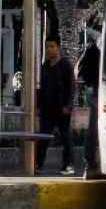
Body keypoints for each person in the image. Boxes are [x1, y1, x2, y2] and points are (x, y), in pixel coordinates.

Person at [36, 36, 77, 175]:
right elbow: (41, 88)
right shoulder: (45, 67)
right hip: (47, 109)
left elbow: (71, 87)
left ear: (58, 47)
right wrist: (38, 106)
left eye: (52, 46)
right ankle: (38, 164)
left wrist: (68, 105)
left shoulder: (66, 65)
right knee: (43, 137)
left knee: (65, 136)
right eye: (47, 46)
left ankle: (69, 164)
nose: (49, 49)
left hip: (62, 108)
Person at [79, 29, 102, 176]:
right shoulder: (102, 42)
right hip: (96, 89)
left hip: (92, 88)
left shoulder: (94, 43)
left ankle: (92, 163)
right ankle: (91, 163)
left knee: (93, 126)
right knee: (95, 127)